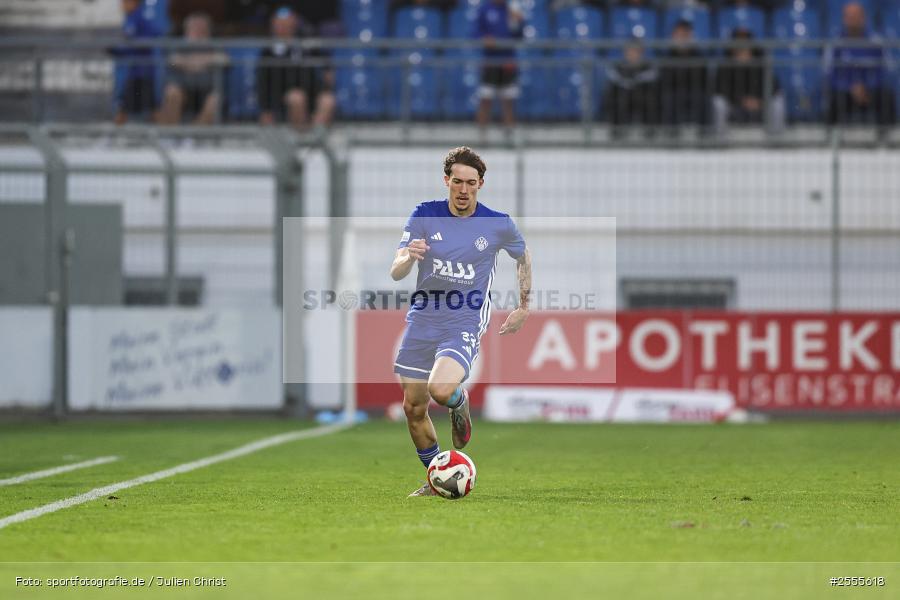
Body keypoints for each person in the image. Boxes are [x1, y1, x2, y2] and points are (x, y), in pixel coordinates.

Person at [391, 146, 532, 497]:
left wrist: (524, 305)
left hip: (464, 319)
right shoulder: (424, 214)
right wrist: (409, 257)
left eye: (471, 182)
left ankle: (458, 401)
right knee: (413, 407)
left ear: (480, 184)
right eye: (457, 182)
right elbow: (396, 270)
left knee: (440, 390)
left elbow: (523, 255)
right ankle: (437, 475)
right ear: (447, 181)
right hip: (423, 320)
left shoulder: (497, 223)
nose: (463, 189)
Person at [256, 7, 336, 129]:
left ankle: (316, 136)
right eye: (280, 25)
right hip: (282, 96)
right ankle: (301, 137)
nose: (284, 28)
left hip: (311, 90)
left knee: (328, 100)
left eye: (287, 24)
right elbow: (262, 81)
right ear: (273, 26)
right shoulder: (268, 51)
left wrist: (327, 71)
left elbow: (323, 58)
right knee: (297, 97)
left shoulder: (304, 43)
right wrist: (266, 109)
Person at [826, 2, 896, 127]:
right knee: (833, 99)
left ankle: (887, 139)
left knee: (887, 96)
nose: (853, 20)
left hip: (871, 92)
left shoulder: (876, 42)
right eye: (849, 16)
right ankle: (829, 138)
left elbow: (887, 70)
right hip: (846, 93)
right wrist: (851, 87)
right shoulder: (836, 44)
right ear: (844, 19)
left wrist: (866, 87)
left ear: (863, 18)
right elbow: (829, 72)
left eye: (856, 16)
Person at [157, 13, 228, 125]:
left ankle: (195, 136)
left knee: (215, 100)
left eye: (201, 28)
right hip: (183, 89)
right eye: (194, 28)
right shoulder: (179, 45)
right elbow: (173, 60)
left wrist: (192, 62)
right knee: (172, 93)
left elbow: (225, 60)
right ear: (187, 30)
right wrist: (204, 62)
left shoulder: (214, 45)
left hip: (206, 90)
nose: (198, 31)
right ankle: (169, 135)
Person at [713, 28, 785, 134]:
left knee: (778, 100)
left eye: (745, 42)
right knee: (718, 102)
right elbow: (721, 88)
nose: (742, 46)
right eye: (738, 42)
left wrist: (760, 100)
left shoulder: (761, 62)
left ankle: (776, 139)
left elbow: (774, 85)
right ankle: (720, 140)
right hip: (735, 106)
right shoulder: (725, 65)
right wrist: (742, 100)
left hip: (759, 105)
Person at [474, 0, 525, 129]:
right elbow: (475, 32)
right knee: (485, 99)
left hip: (508, 61)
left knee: (508, 100)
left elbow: (519, 35)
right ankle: (481, 136)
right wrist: (484, 39)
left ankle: (509, 135)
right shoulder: (484, 9)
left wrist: (519, 22)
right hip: (490, 62)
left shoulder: (511, 10)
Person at [114, 0, 162, 125]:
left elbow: (151, 36)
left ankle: (163, 133)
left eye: (126, 2)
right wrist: (118, 51)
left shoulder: (139, 17)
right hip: (135, 71)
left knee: (150, 107)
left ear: (134, 3)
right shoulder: (131, 18)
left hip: (143, 71)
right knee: (130, 106)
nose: (122, 5)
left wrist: (121, 50)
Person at [659, 18, 711, 128]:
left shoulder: (699, 57)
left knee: (704, 99)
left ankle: (704, 137)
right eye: (679, 34)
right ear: (673, 36)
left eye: (685, 34)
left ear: (690, 35)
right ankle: (671, 136)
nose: (682, 38)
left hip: (694, 93)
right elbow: (664, 82)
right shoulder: (667, 58)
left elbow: (704, 82)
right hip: (675, 93)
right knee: (667, 98)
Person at [603, 40, 659, 134]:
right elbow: (614, 77)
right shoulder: (619, 66)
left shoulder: (647, 66)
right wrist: (625, 83)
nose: (632, 54)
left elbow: (652, 76)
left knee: (651, 97)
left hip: (641, 97)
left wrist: (637, 81)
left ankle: (649, 128)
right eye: (630, 51)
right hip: (624, 98)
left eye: (635, 51)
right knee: (615, 96)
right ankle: (617, 128)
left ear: (641, 52)